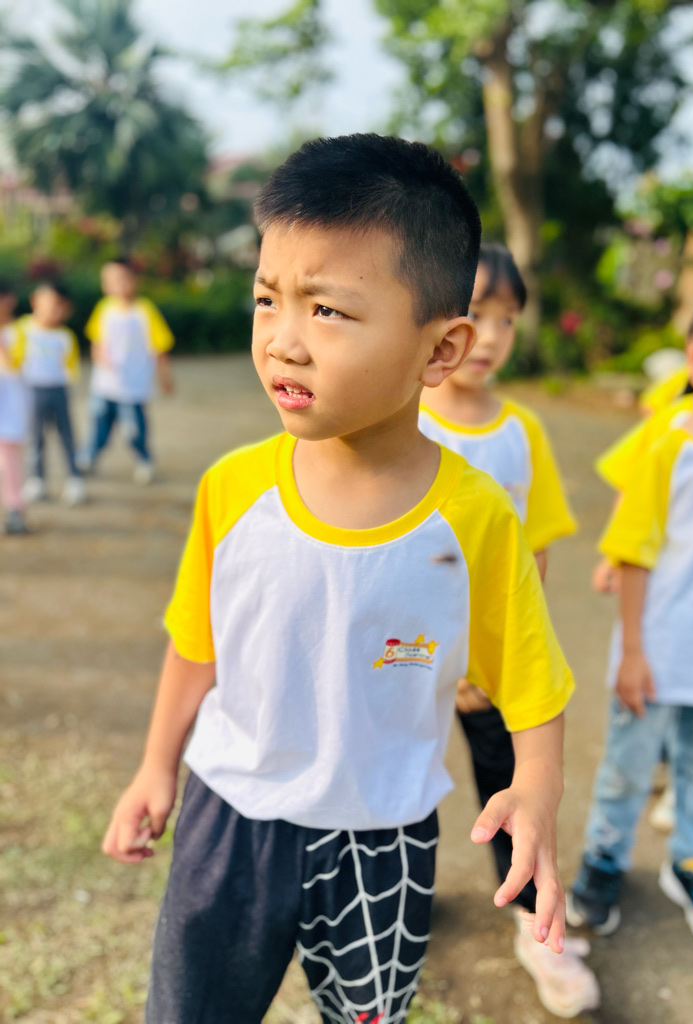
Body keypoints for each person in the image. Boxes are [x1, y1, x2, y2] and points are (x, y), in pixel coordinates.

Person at [102, 134, 575, 1024]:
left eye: (327, 310)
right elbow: (196, 646)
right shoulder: (232, 490)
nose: (283, 341)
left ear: (441, 350)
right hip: (229, 813)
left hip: (383, 832)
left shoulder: (474, 518)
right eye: (267, 299)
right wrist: (155, 769)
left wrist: (538, 789)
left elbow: (533, 680)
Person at [567, 266, 693, 954]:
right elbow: (633, 551)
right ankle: (604, 860)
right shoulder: (668, 446)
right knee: (627, 768)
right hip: (655, 649)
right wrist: (631, 650)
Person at [420, 244, 597, 1018]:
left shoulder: (522, 430)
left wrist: (499, 662)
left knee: (511, 789)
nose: (489, 337)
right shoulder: (401, 417)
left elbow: (535, 552)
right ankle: (395, 904)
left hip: (490, 671)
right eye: (476, 315)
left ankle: (534, 921)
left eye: (507, 320)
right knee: (403, 789)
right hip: (405, 662)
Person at [80, 259, 174, 484]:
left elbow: (159, 346)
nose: (117, 284)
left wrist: (165, 377)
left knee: (134, 430)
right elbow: (96, 340)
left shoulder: (144, 311)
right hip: (105, 385)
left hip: (133, 386)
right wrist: (99, 357)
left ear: (135, 281)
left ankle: (144, 459)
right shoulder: (104, 308)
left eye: (122, 279)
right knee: (99, 425)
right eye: (111, 280)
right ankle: (89, 456)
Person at [11, 281, 85, 506]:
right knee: (35, 437)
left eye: (60, 306)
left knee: (66, 436)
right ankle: (37, 479)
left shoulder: (65, 336)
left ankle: (74, 479)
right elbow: (13, 360)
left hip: (58, 390)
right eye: (50, 303)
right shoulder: (22, 329)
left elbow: (71, 366)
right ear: (35, 301)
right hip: (31, 390)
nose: (54, 310)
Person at [0, 279, 29, 533]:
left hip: (9, 410)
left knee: (10, 463)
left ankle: (15, 510)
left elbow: (13, 365)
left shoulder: (20, 331)